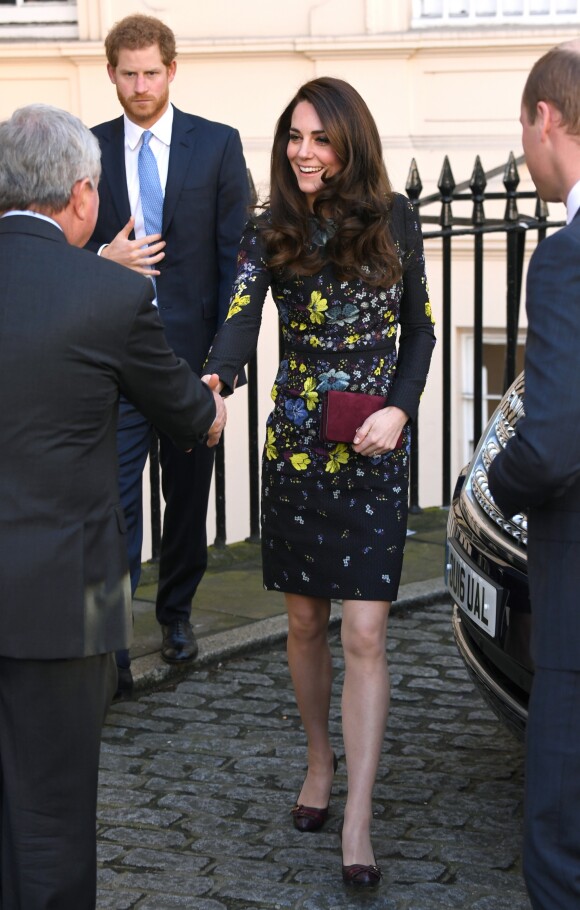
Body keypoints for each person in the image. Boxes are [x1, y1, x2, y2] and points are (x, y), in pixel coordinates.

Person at [204, 76, 435, 887]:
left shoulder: (396, 218)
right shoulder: (271, 224)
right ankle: (319, 762)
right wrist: (217, 382)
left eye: (320, 139)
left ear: (350, 142)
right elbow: (238, 315)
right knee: (305, 625)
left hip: (372, 445)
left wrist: (402, 412)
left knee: (366, 632)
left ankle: (361, 817)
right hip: (299, 444)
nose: (304, 152)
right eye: (295, 137)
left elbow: (421, 332)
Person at [0, 103, 225, 909]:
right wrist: (213, 403)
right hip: (66, 602)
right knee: (53, 819)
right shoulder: (107, 295)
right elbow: (189, 417)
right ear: (84, 196)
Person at [87, 14, 248, 686]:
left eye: (152, 72)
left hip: (190, 368)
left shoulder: (216, 146)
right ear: (112, 74)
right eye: (128, 73)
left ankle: (176, 615)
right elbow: (51, 252)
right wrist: (103, 258)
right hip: (113, 367)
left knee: (186, 502)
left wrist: (221, 369)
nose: (141, 85)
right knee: (113, 507)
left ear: (172, 70)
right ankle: (109, 649)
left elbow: (238, 266)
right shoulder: (86, 150)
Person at [488, 40, 580, 910]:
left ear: (545, 117)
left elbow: (551, 442)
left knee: (561, 843)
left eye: (522, 125)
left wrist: (493, 488)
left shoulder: (565, 260)